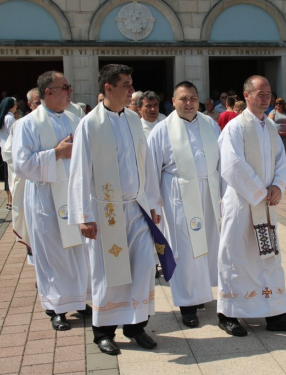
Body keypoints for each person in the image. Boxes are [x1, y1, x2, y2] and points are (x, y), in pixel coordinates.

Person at [68, 64, 166, 355]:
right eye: (125, 84)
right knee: (108, 272)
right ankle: (103, 332)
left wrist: (152, 203)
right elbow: (79, 171)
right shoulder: (90, 124)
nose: (131, 90)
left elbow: (145, 165)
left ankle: (136, 326)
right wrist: (83, 215)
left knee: (143, 268)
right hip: (105, 210)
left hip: (136, 207)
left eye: (131, 83)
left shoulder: (134, 121)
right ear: (108, 88)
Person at [217, 75, 286, 337]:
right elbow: (231, 165)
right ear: (246, 96)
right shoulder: (235, 127)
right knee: (236, 257)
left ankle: (275, 313)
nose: (266, 97)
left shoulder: (269, 127)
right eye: (260, 93)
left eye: (268, 93)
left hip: (266, 205)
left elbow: (281, 160)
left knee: (269, 257)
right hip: (244, 204)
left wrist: (279, 186)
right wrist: (260, 191)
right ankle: (228, 313)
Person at [13, 71, 91, 332]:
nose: (70, 91)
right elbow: (21, 165)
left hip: (73, 195)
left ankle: (79, 300)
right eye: (65, 87)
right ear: (48, 92)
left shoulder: (76, 117)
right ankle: (55, 308)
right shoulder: (27, 124)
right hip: (46, 200)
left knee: (78, 253)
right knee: (52, 254)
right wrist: (55, 154)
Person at [148, 81, 221, 328]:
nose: (189, 103)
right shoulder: (162, 129)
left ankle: (201, 293)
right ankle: (187, 304)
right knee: (185, 249)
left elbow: (220, 162)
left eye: (193, 98)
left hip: (209, 193)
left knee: (209, 244)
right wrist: (154, 206)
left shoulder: (210, 123)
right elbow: (151, 171)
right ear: (173, 101)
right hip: (178, 196)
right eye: (183, 99)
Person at [3, 87, 41, 263]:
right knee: (32, 225)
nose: (41, 105)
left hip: (57, 183)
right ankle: (37, 270)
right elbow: (9, 153)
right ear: (29, 104)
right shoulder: (21, 124)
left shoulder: (64, 120)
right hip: (29, 183)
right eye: (37, 102)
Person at [268, 97, 286, 166]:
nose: (278, 105)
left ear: (283, 104)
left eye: (280, 103)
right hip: (276, 135)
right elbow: (269, 124)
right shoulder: (273, 112)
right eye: (276, 103)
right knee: (276, 152)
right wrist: (277, 132)